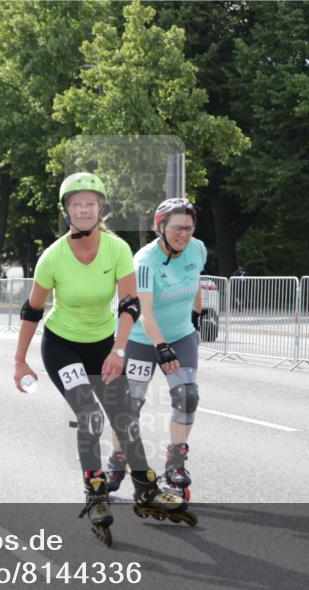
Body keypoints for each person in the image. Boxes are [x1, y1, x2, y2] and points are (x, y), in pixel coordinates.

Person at [12, 173, 196, 546]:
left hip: (103, 343)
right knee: (90, 415)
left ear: (100, 209)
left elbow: (130, 304)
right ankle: (95, 492)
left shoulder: (117, 250)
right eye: (76, 204)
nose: (83, 210)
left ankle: (146, 488)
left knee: (124, 418)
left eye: (90, 203)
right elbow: (32, 311)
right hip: (62, 344)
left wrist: (119, 349)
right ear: (67, 211)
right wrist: (20, 361)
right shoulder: (53, 256)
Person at [106, 198, 206, 502]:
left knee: (187, 395)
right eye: (177, 228)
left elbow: (194, 280)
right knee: (130, 405)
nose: (184, 234)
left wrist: (199, 315)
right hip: (140, 338)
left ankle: (175, 463)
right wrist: (161, 348)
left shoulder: (197, 249)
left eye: (189, 228)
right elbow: (145, 311)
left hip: (180, 334)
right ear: (159, 228)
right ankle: (117, 460)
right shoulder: (144, 261)